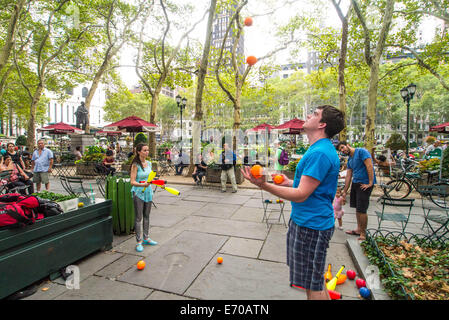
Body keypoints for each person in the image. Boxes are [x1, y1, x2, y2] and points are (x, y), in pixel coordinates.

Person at [241, 105, 345, 300]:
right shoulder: (319, 149)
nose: (308, 115)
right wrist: (289, 182)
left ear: (322, 124)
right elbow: (309, 187)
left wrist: (263, 186)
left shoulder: (319, 153)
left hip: (311, 227)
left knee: (312, 285)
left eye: (314, 114)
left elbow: (301, 195)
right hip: (309, 223)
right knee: (313, 280)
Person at [337, 141, 376, 241]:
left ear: (348, 145)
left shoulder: (362, 152)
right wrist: (345, 191)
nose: (343, 150)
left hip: (364, 184)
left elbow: (369, 166)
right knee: (358, 208)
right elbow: (349, 175)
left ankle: (363, 233)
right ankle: (359, 229)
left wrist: (370, 182)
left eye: (343, 147)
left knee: (362, 209)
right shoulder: (350, 159)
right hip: (356, 183)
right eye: (340, 149)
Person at [129, 143, 157, 252]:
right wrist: (142, 185)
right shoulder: (135, 165)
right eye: (145, 150)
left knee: (147, 216)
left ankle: (146, 238)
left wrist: (159, 183)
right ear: (139, 152)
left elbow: (150, 179)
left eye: (148, 150)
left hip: (148, 193)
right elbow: (132, 182)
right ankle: (139, 241)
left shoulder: (149, 163)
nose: (147, 152)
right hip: (138, 193)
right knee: (138, 218)